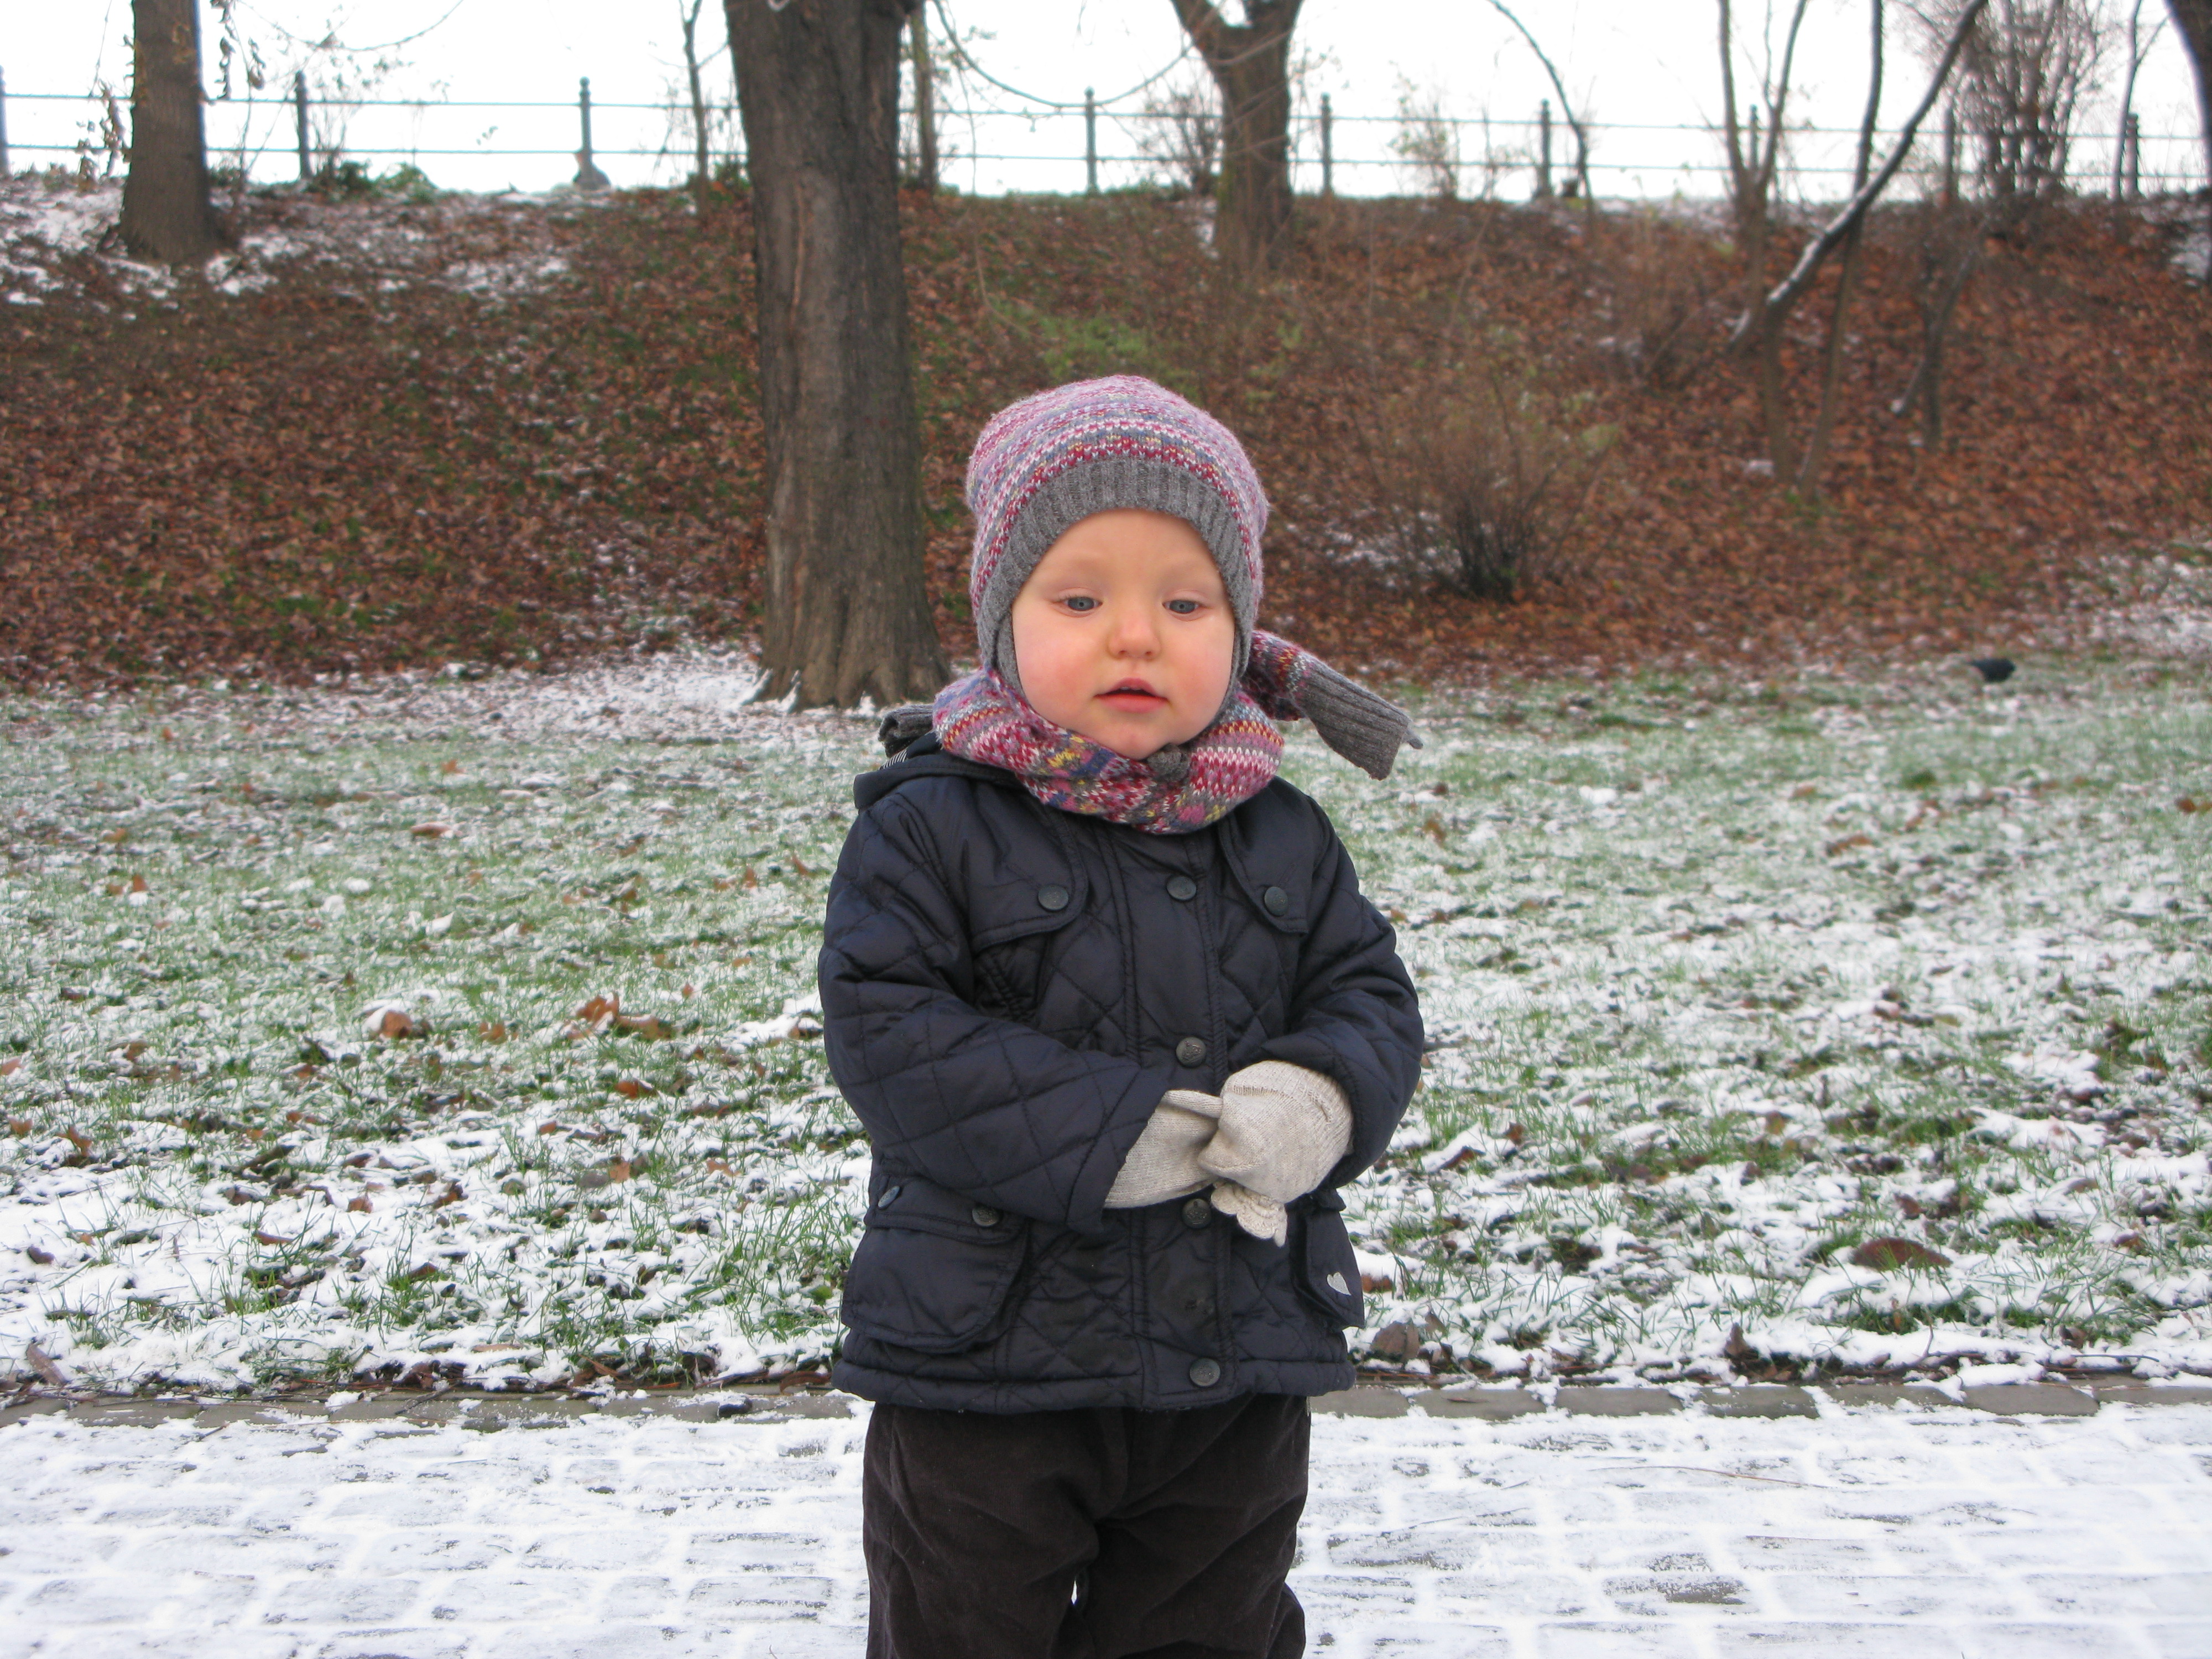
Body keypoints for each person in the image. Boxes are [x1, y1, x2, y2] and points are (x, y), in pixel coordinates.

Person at [819, 375, 1425, 1659]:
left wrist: (1320, 1097)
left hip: (1229, 1362)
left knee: (1210, 1633)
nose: (1134, 637)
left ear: (1240, 627)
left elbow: (1366, 993)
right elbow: (891, 1032)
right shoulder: (927, 825)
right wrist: (1114, 1131)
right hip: (986, 1370)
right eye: (1079, 600)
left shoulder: (1281, 831)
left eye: (1184, 603)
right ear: (1002, 622)